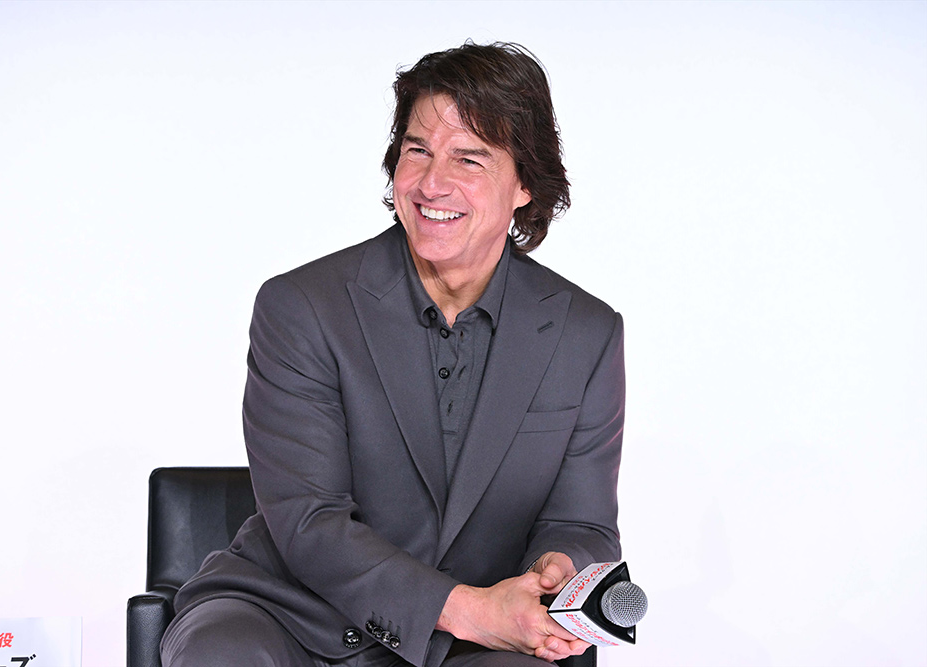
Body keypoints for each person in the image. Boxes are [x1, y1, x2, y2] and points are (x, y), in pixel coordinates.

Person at [161, 41, 626, 667]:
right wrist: (465, 607)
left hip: (473, 643)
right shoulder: (301, 306)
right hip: (291, 613)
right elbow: (309, 521)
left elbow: (583, 523)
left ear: (524, 183)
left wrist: (555, 573)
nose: (432, 183)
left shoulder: (586, 333)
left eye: (469, 158)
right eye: (417, 151)